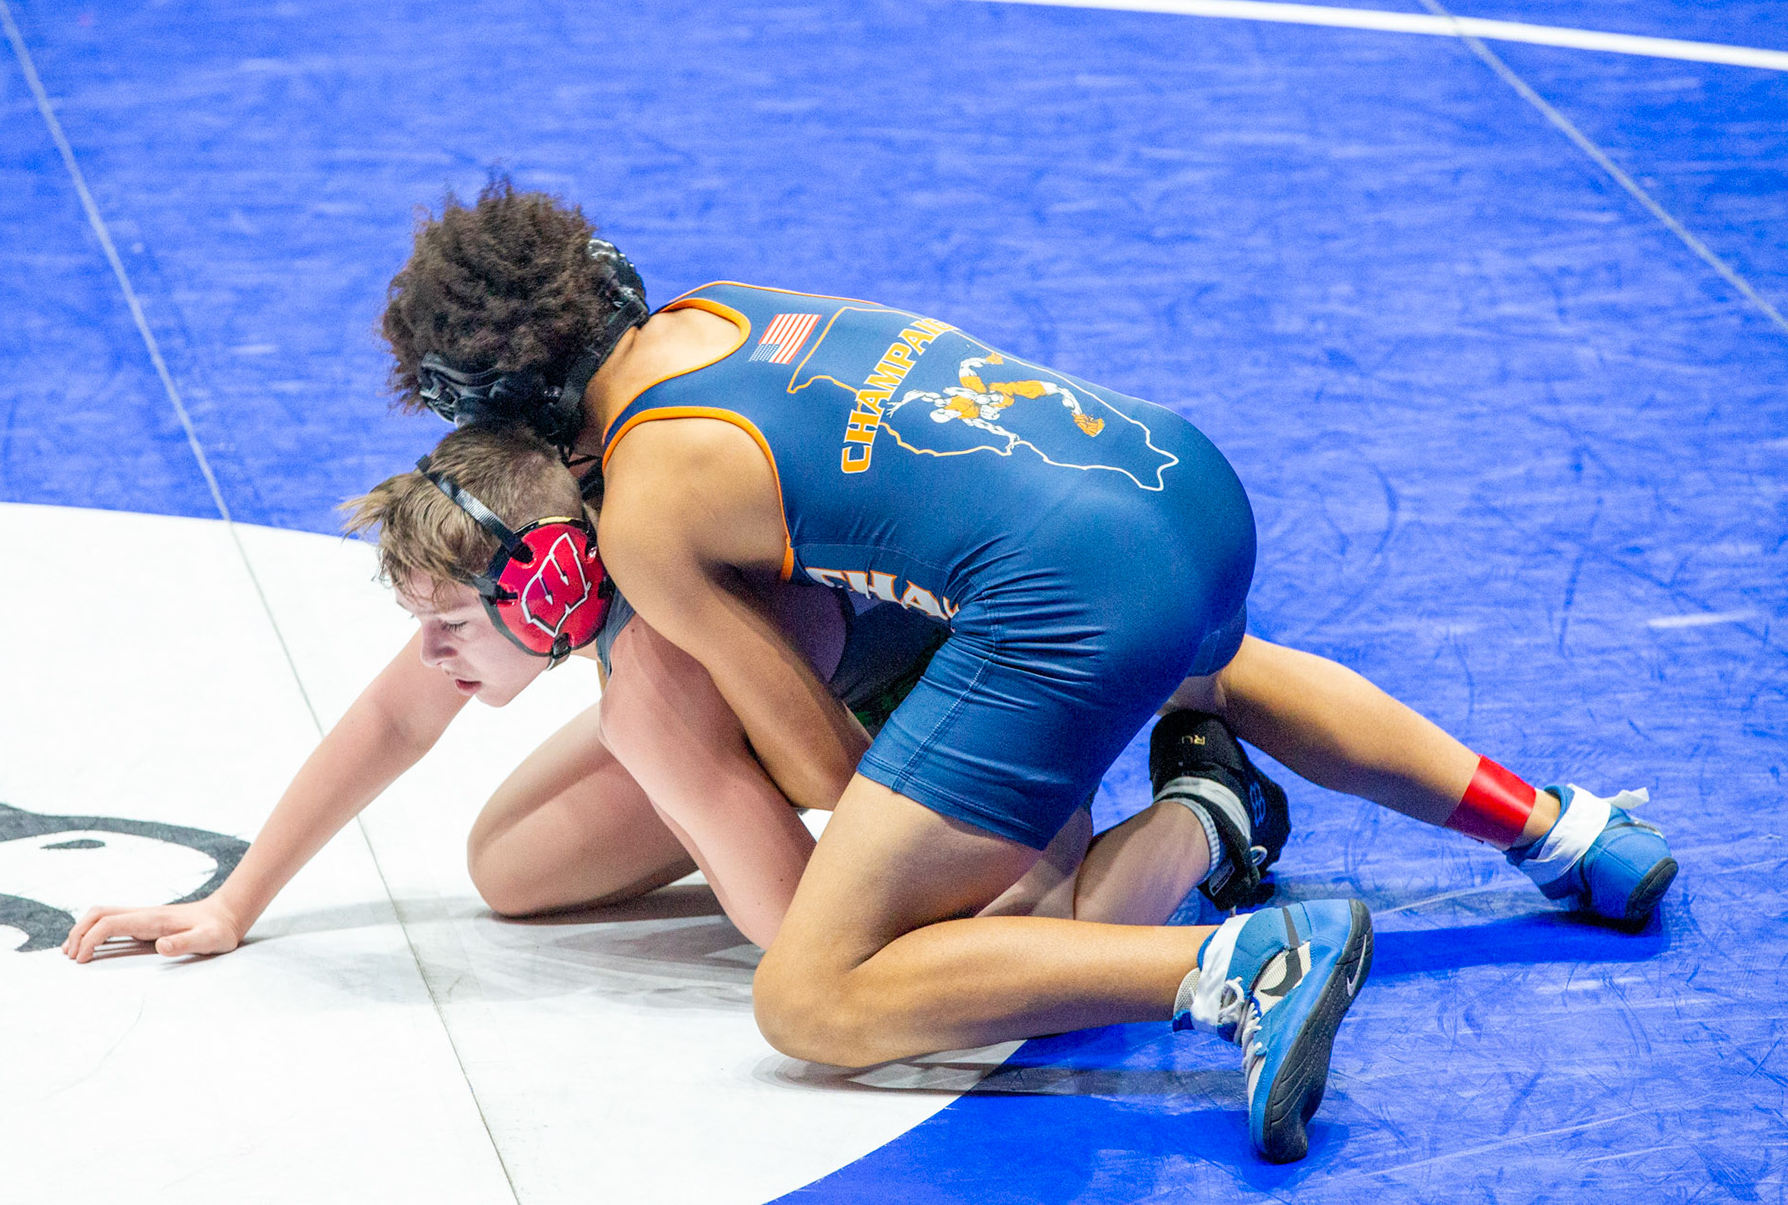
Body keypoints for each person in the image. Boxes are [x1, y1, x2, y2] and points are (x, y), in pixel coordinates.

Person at [374, 177, 1679, 1162]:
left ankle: (1242, 964)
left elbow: (823, 769)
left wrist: (721, 729)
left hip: (1069, 609)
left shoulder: (647, 509)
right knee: (1223, 668)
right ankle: (1567, 832)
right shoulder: (723, 310)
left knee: (813, 995)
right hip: (1175, 483)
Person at [60, 425, 1247, 970]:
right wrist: (234, 900)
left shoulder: (656, 674)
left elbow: (807, 939)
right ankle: (755, 781)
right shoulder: (558, 535)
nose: (431, 656)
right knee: (511, 868)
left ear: (548, 584)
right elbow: (392, 718)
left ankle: (1209, 806)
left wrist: (719, 800)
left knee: (1020, 946)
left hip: (971, 685)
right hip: (829, 678)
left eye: (450, 626)